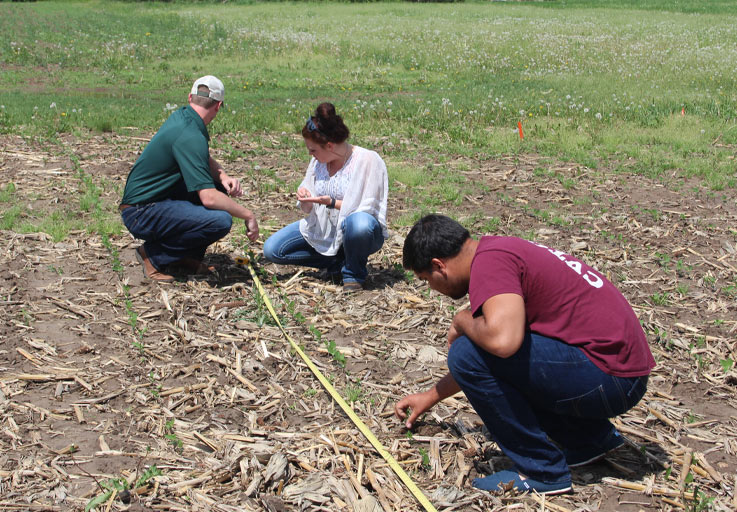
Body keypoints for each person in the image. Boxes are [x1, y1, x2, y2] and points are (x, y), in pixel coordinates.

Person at [394, 214, 654, 495]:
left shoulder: (490, 266)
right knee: (477, 350)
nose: (431, 289)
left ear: (438, 265)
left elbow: (501, 345)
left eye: (425, 279)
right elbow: (495, 359)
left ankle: (542, 471)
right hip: (621, 371)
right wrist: (430, 397)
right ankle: (589, 439)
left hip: (611, 377)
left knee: (465, 352)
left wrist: (461, 320)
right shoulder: (497, 251)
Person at [120, 75, 258, 282]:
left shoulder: (183, 117)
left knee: (219, 189)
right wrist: (248, 215)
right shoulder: (190, 134)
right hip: (141, 212)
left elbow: (201, 157)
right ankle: (153, 255)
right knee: (220, 219)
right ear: (218, 106)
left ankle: (182, 256)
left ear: (190, 97)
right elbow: (209, 199)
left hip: (146, 204)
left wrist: (223, 176)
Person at [263, 103, 388, 292]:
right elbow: (308, 187)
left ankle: (353, 275)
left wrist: (331, 203)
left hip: (359, 232)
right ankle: (336, 261)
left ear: (329, 146)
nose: (310, 154)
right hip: (323, 228)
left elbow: (368, 210)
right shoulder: (318, 162)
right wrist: (304, 194)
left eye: (313, 150)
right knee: (273, 249)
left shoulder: (368, 160)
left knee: (359, 223)